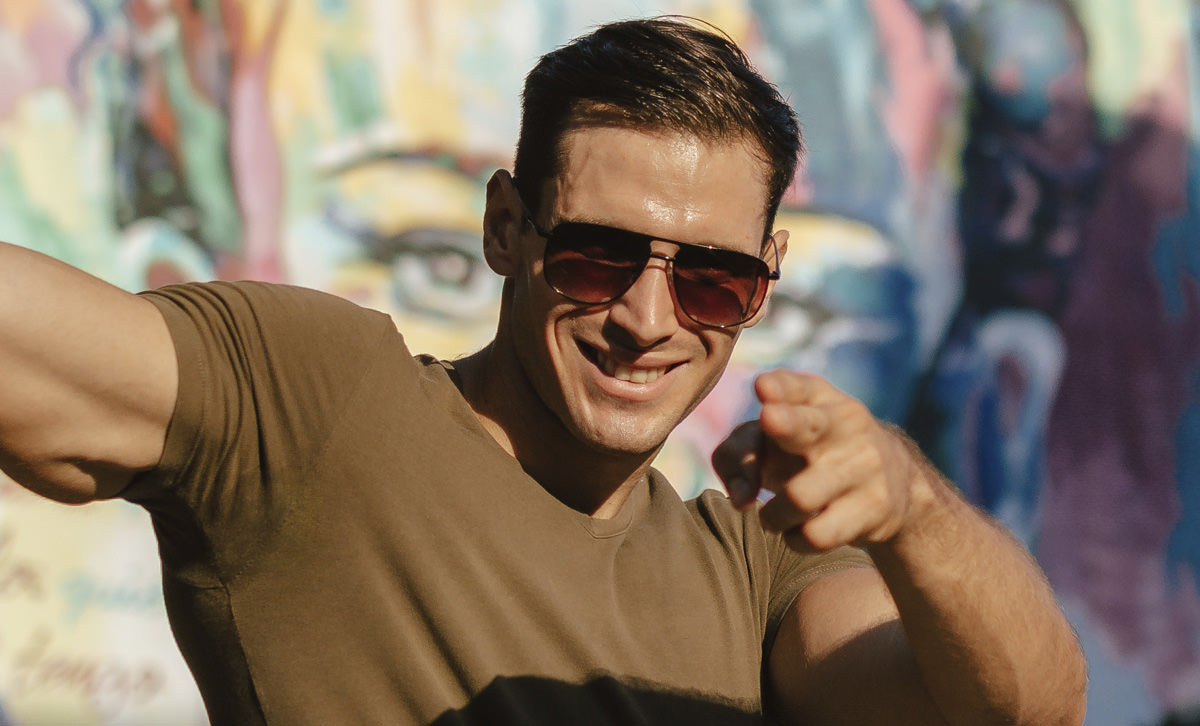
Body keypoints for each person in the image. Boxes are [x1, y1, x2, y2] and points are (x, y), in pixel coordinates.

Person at [0, 16, 1085, 726]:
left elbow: (1024, 710)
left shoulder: (762, 568)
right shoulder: (318, 401)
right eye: (598, 256)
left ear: (767, 278)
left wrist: (910, 507)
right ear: (505, 228)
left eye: (712, 279)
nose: (647, 320)